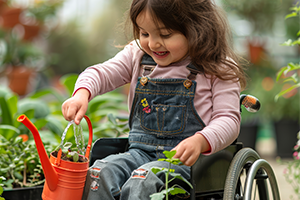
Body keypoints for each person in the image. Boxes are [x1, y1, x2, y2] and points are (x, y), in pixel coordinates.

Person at [62, 0, 247, 199]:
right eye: (144, 33)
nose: (153, 43)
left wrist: (201, 141)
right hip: (139, 154)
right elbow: (102, 73)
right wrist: (82, 93)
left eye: (165, 35)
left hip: (187, 164)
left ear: (196, 28)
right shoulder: (138, 56)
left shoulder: (216, 67)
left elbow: (228, 120)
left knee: (143, 180)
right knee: (100, 173)